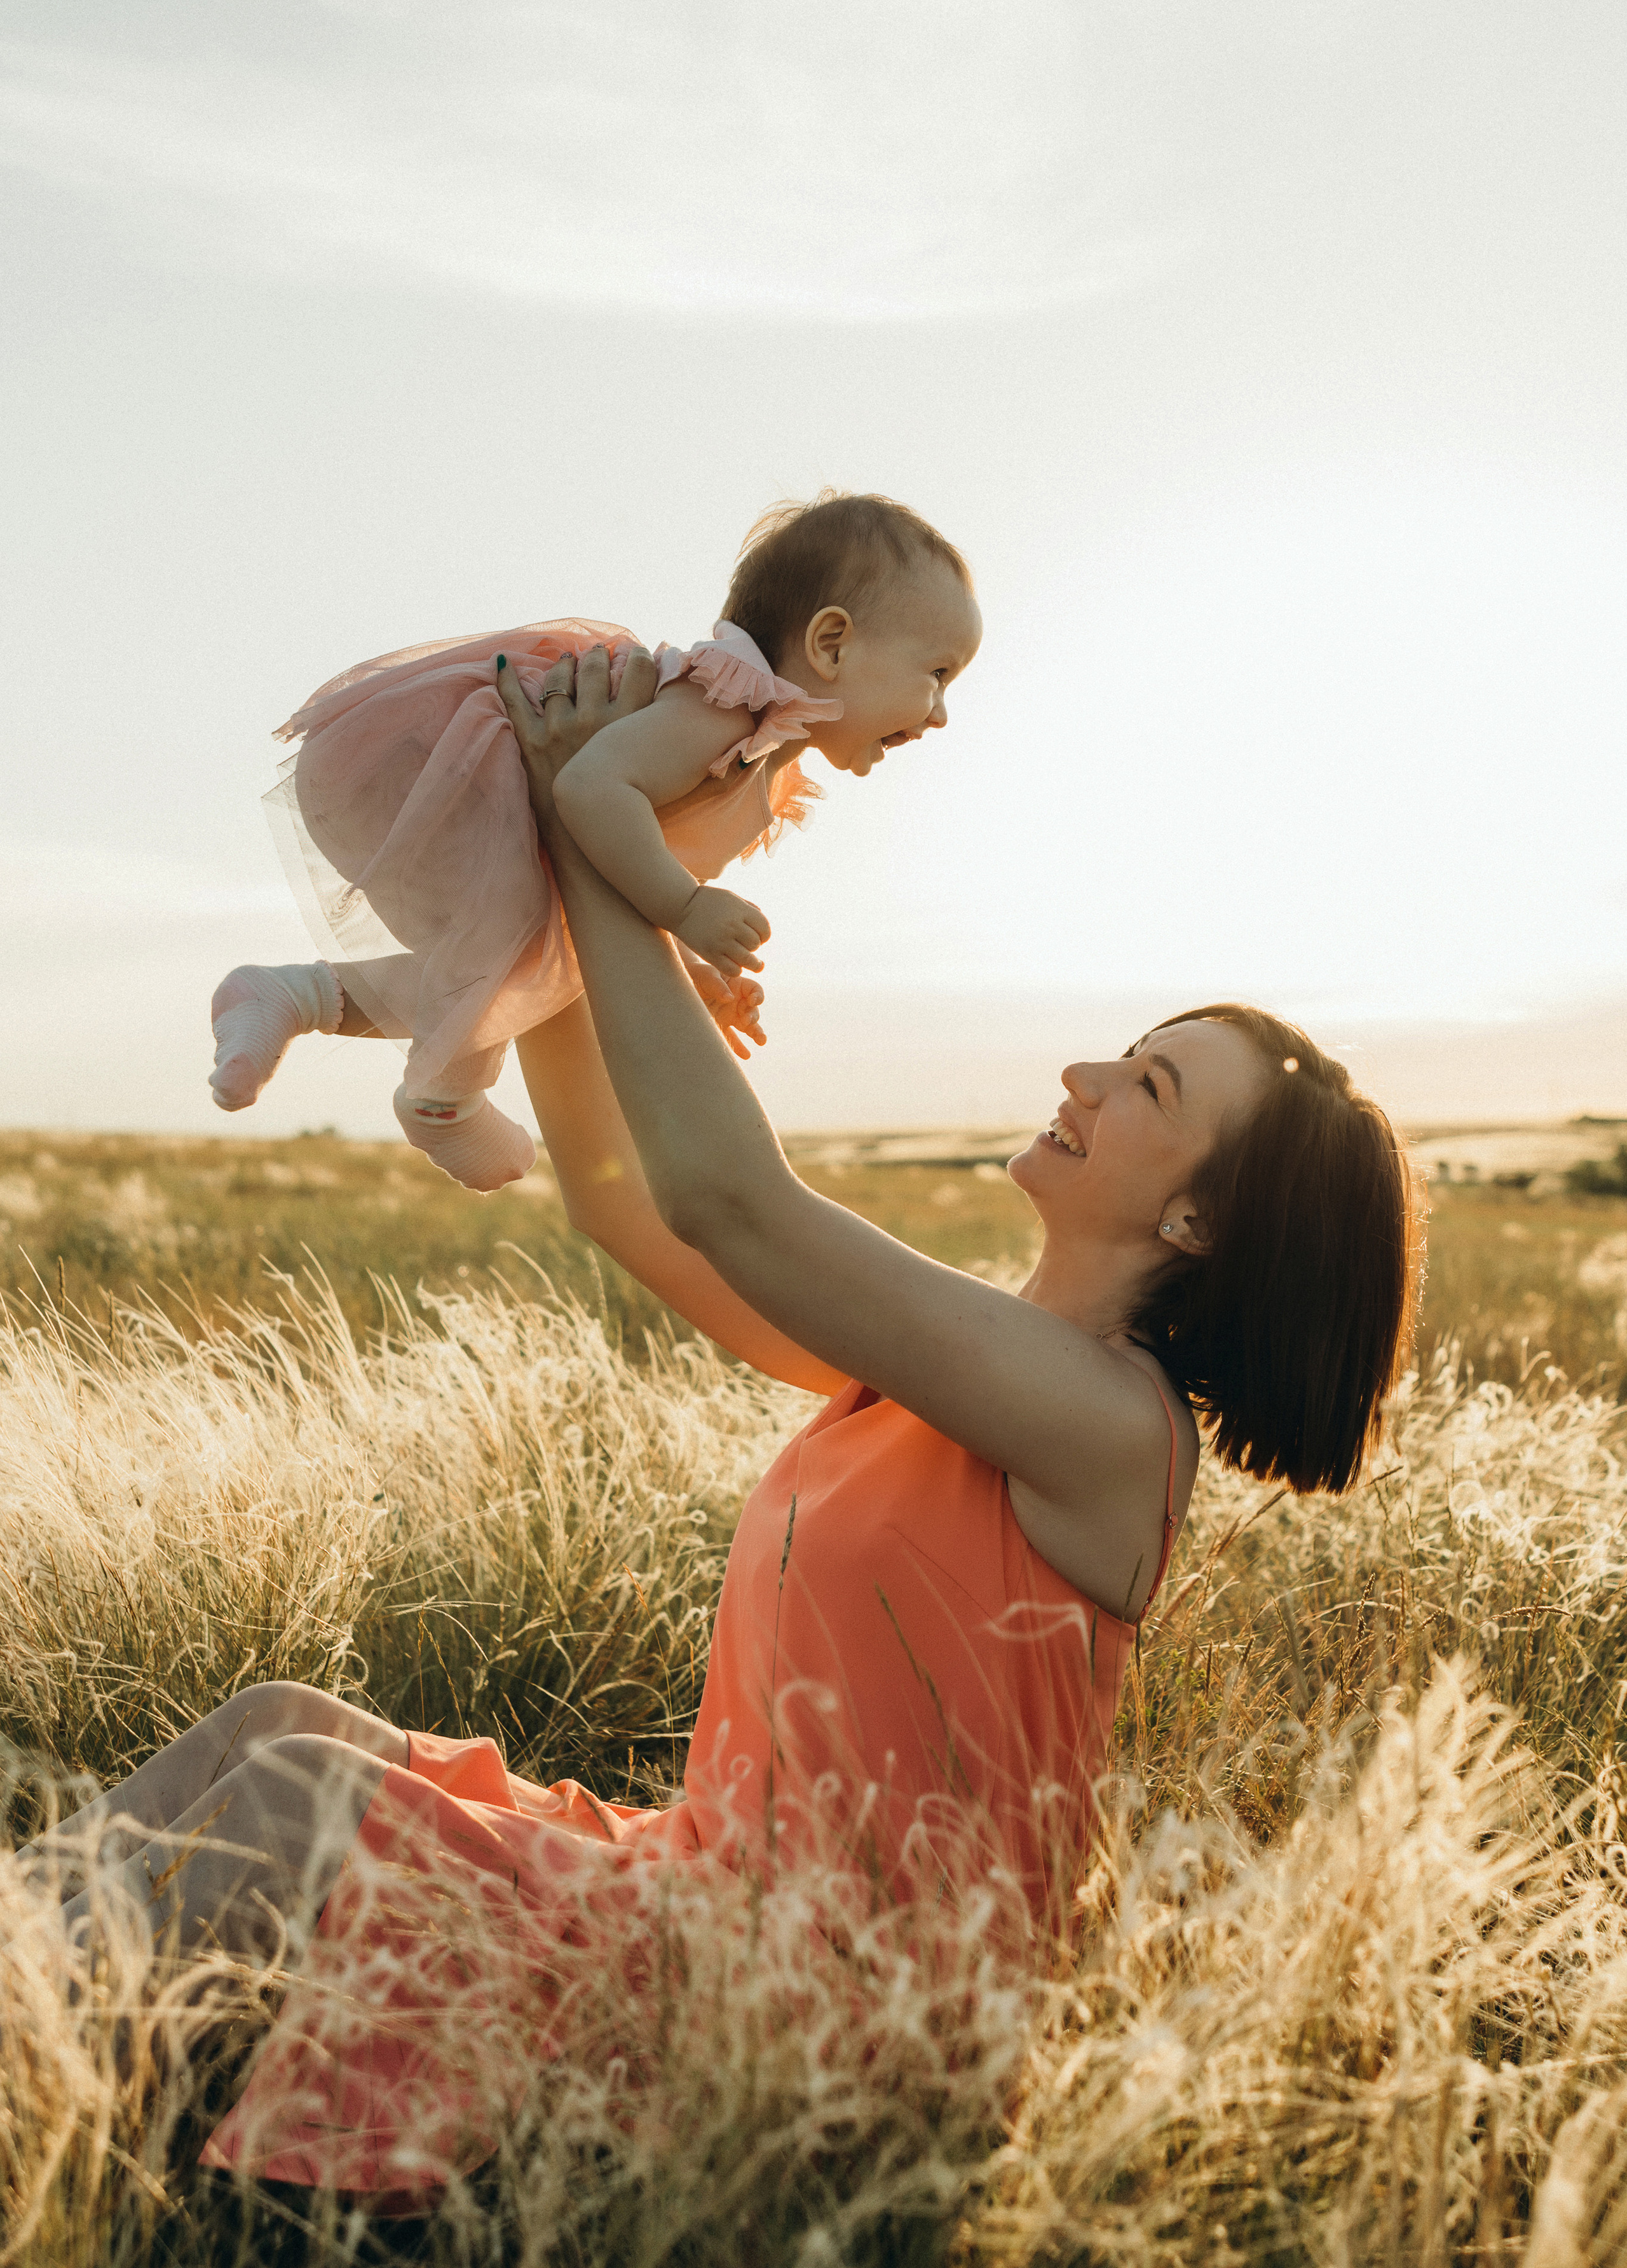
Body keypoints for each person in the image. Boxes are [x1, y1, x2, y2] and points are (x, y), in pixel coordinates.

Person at [37, 648, 1419, 2197]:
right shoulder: (953, 1360)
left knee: (296, 1810)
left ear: (1193, 1219)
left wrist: (591, 823)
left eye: (1147, 1080)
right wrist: (547, 919)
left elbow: (729, 1195)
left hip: (828, 2031)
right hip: (703, 1906)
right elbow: (635, 1207)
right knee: (279, 1723)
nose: (1084, 1070)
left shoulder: (1107, 1423)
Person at [205, 491, 981, 1192]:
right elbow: (589, 789)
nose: (942, 712)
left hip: (442, 779)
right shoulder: (720, 709)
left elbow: (609, 879)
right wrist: (685, 905)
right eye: (937, 673)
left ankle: (297, 998)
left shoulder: (754, 753)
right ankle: (441, 1095)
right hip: (418, 762)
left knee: (538, 950)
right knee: (519, 950)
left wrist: (691, 969)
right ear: (832, 644)